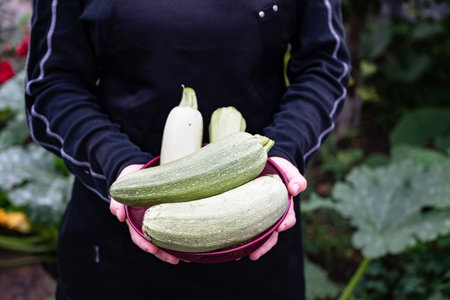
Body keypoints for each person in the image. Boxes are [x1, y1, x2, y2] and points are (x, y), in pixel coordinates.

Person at [25, 0, 350, 299]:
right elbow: (52, 85)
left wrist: (285, 149)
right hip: (117, 245)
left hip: (255, 228)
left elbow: (324, 66)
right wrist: (119, 165)